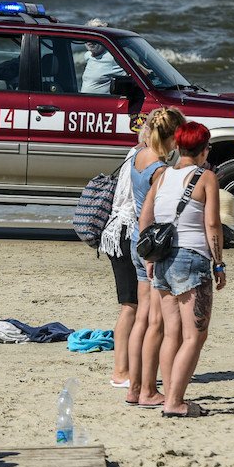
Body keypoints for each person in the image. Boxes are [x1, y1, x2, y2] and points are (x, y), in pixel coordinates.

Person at [138, 121, 226, 418]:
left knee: (171, 333)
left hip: (162, 259)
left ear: (177, 147)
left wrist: (149, 259)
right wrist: (219, 262)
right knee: (195, 336)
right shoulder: (206, 177)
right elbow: (212, 224)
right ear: (203, 150)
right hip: (191, 258)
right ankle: (175, 402)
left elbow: (145, 218)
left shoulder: (162, 176)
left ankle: (170, 395)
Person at [125, 107, 184, 409]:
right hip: (154, 246)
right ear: (172, 138)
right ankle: (148, 389)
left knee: (141, 318)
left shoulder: (138, 155)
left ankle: (134, 387)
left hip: (138, 239)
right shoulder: (160, 170)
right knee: (156, 322)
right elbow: (161, 211)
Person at [99, 115, 148, 389]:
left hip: (118, 232)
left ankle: (127, 368)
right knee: (130, 306)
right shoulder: (145, 158)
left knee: (131, 306)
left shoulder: (134, 154)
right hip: (124, 234)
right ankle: (120, 371)